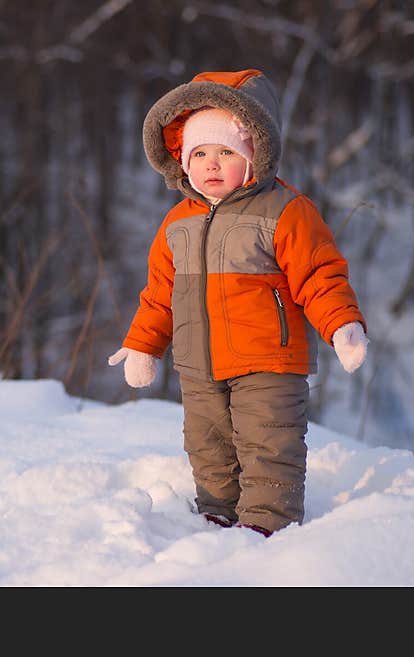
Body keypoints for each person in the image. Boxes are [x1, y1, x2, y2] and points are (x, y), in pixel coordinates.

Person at [108, 69, 369, 537]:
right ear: (182, 160)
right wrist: (143, 345)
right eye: (200, 153)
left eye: (226, 151)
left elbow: (319, 274)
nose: (211, 164)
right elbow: (158, 295)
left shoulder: (284, 210)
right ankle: (217, 514)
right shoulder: (176, 224)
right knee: (207, 445)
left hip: (268, 360)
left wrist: (341, 324)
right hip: (198, 365)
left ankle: (268, 525)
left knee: (269, 443)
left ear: (255, 154)